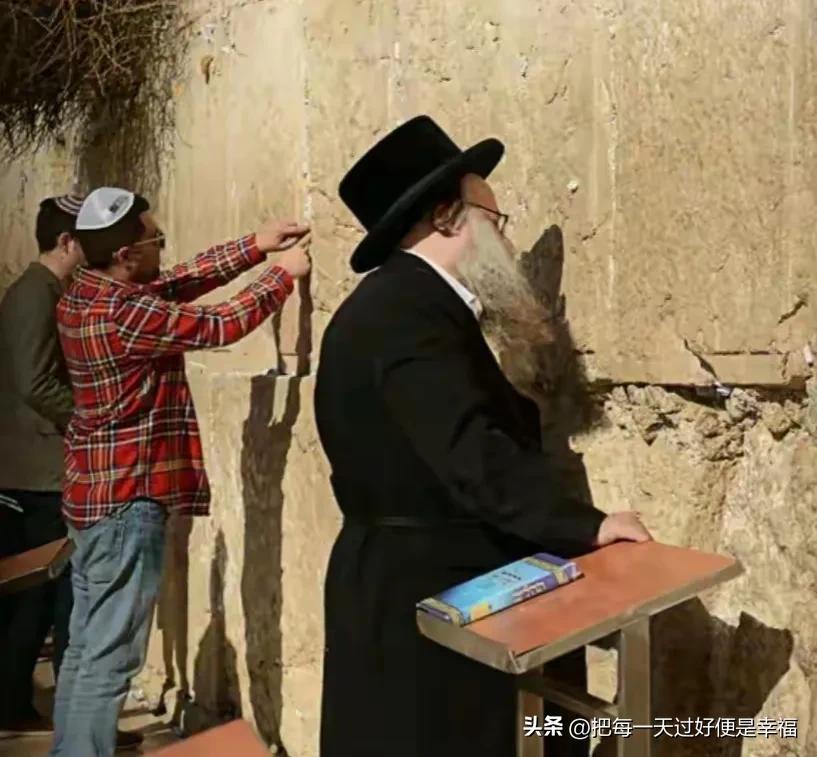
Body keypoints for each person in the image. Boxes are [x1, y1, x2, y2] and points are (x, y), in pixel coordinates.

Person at [315, 115, 653, 757]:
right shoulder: (411, 315)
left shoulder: (387, 307)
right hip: (433, 587)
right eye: (493, 219)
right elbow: (470, 455)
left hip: (398, 581)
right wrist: (587, 526)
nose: (502, 235)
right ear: (446, 217)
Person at [49, 187, 311, 757]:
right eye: (156, 241)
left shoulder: (84, 293)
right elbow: (217, 326)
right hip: (125, 501)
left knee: (84, 647)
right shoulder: (124, 313)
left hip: (91, 496)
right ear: (126, 256)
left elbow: (174, 285)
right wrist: (280, 276)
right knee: (110, 658)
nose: (162, 248)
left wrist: (254, 247)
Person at [0, 194, 84, 736]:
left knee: (37, 596)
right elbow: (34, 382)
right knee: (46, 595)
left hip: (32, 468)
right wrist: (86, 417)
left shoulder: (36, 290)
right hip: (39, 472)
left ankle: (17, 703)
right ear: (65, 242)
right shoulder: (35, 294)